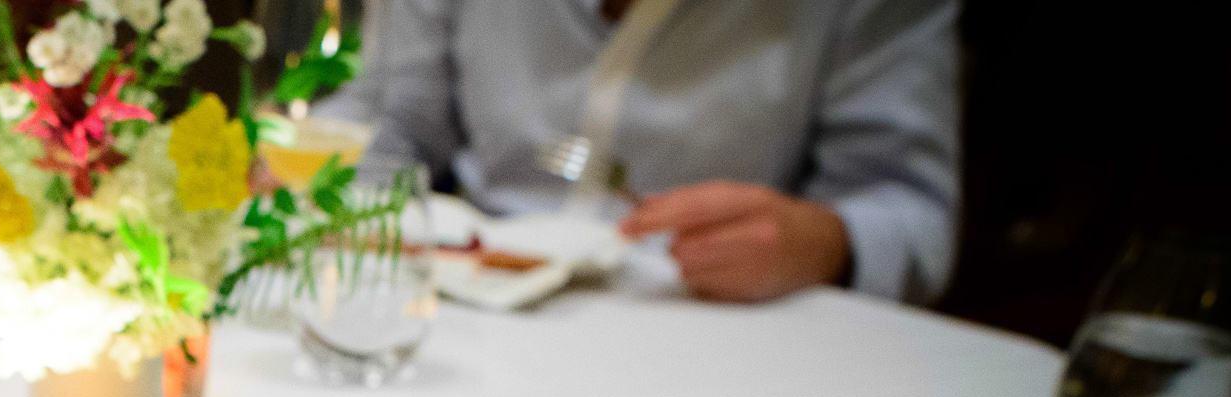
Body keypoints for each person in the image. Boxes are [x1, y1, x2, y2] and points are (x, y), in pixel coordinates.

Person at [325, 0, 959, 305]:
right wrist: (306, 170)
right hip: (465, 299)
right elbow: (394, 120)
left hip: (719, 334)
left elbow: (911, 207)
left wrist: (824, 240)